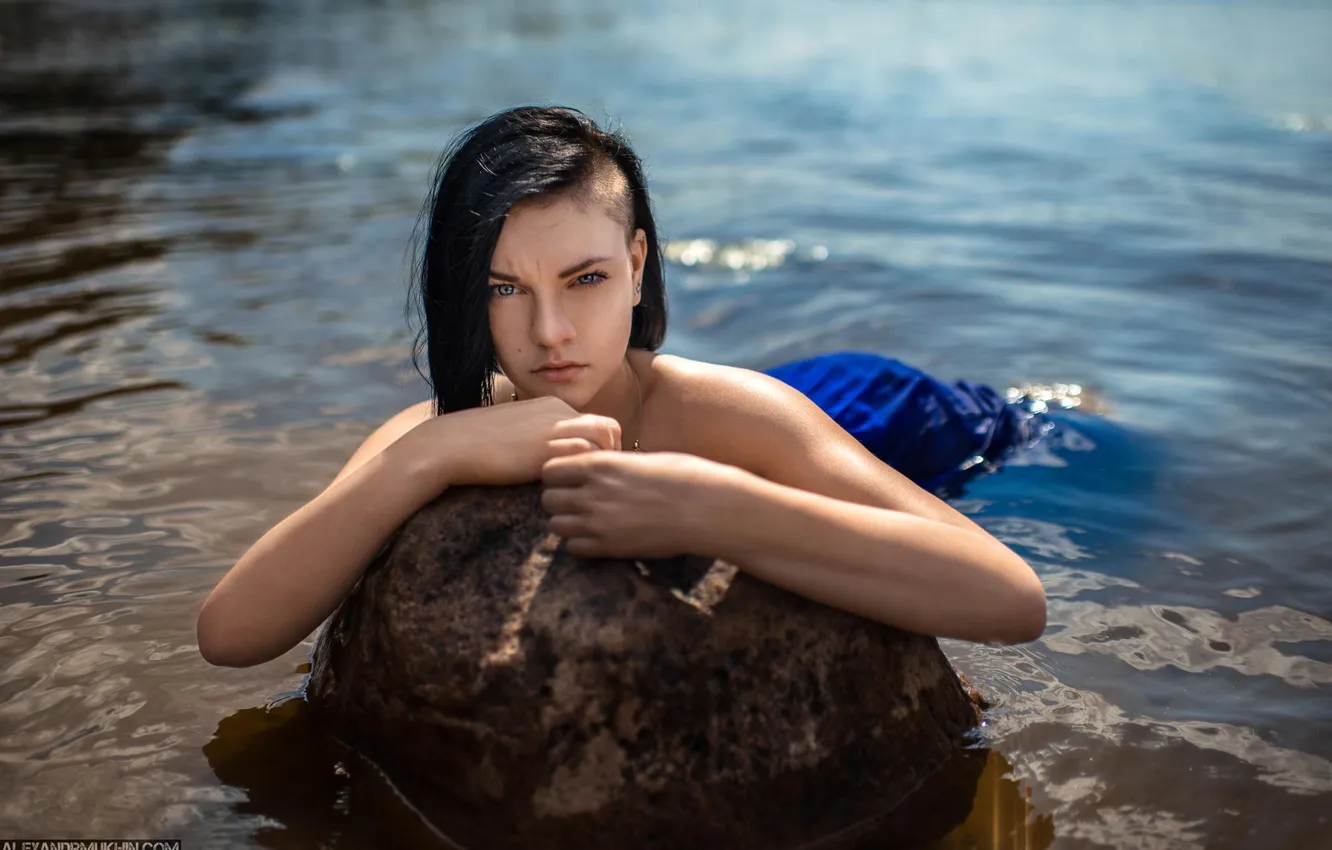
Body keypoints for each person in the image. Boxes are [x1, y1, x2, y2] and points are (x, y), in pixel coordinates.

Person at [196, 106, 1046, 668]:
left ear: (637, 266)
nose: (550, 332)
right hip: (776, 421)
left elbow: (1012, 598)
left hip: (895, 418)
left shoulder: (732, 415)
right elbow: (229, 636)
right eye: (504, 289)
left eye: (586, 278)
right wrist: (426, 453)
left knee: (1049, 434)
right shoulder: (447, 425)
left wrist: (717, 509)